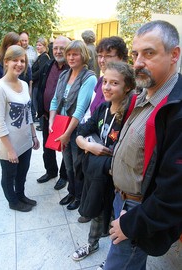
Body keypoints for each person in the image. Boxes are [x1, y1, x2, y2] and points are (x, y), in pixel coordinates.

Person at [103, 20, 182, 270]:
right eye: (136, 54)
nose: (137, 63)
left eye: (149, 53)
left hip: (138, 211)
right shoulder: (144, 94)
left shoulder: (176, 110)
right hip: (124, 202)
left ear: (174, 55)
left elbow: (175, 190)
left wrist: (131, 222)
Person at [72, 61, 136, 262]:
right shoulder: (102, 108)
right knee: (97, 212)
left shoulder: (131, 114)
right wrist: (88, 146)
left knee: (116, 220)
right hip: (99, 176)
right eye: (105, 81)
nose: (106, 87)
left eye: (114, 83)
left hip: (119, 182)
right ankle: (92, 243)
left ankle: (111, 260)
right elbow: (81, 132)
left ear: (127, 87)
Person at [78, 36, 129, 224]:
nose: (102, 60)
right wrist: (84, 142)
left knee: (106, 202)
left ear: (122, 58)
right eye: (99, 55)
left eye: (108, 55)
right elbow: (91, 114)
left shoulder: (130, 102)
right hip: (94, 144)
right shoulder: (101, 81)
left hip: (110, 161)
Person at [49, 40, 97, 210]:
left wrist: (68, 133)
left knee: (78, 165)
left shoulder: (89, 77)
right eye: (69, 54)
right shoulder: (64, 75)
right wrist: (51, 123)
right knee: (67, 162)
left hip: (76, 128)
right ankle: (71, 192)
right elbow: (55, 100)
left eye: (75, 54)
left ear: (83, 55)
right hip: (62, 126)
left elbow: (80, 109)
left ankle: (79, 196)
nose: (70, 57)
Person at [0, 45, 40, 212]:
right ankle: (13, 202)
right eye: (15, 60)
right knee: (9, 175)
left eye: (23, 60)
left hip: (25, 140)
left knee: (22, 172)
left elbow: (28, 112)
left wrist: (34, 136)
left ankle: (20, 195)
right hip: (9, 144)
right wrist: (10, 150)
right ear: (6, 62)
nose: (19, 64)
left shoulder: (23, 84)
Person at [36, 36, 71, 190]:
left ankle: (64, 176)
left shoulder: (73, 69)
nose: (58, 51)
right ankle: (51, 171)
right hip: (46, 115)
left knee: (65, 149)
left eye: (62, 48)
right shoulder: (49, 64)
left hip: (65, 118)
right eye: (55, 48)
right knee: (47, 146)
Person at [31, 37, 50, 129]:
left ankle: (43, 125)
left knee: (38, 104)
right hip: (36, 84)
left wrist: (31, 76)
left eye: (40, 45)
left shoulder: (44, 57)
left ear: (45, 46)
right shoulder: (40, 56)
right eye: (37, 45)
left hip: (38, 84)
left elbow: (41, 71)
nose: (38, 47)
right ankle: (41, 124)